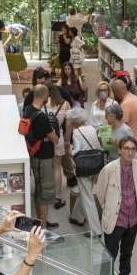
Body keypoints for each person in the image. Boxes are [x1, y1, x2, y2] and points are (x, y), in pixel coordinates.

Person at [94, 135, 137, 275]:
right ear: (119, 150)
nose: (129, 152)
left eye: (133, 149)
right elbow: (100, 194)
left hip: (133, 219)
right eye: (126, 149)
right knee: (110, 255)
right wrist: (108, 212)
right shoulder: (109, 169)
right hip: (115, 219)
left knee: (127, 253)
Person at [24, 84, 60, 230]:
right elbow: (56, 140)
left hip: (34, 156)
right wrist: (50, 135)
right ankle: (43, 229)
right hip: (44, 159)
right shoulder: (42, 117)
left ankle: (39, 222)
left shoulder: (27, 110)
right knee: (45, 193)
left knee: (38, 190)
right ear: (45, 95)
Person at [66, 107, 103, 236]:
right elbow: (98, 147)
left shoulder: (77, 132)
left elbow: (78, 151)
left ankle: (96, 231)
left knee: (88, 198)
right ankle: (77, 217)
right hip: (95, 166)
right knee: (84, 192)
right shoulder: (92, 128)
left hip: (84, 168)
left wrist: (70, 151)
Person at [44, 82, 71, 211]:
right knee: (57, 167)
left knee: (46, 167)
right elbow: (69, 125)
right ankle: (58, 196)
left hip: (45, 138)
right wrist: (67, 140)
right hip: (58, 137)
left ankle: (45, 194)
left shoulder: (42, 104)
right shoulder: (65, 104)